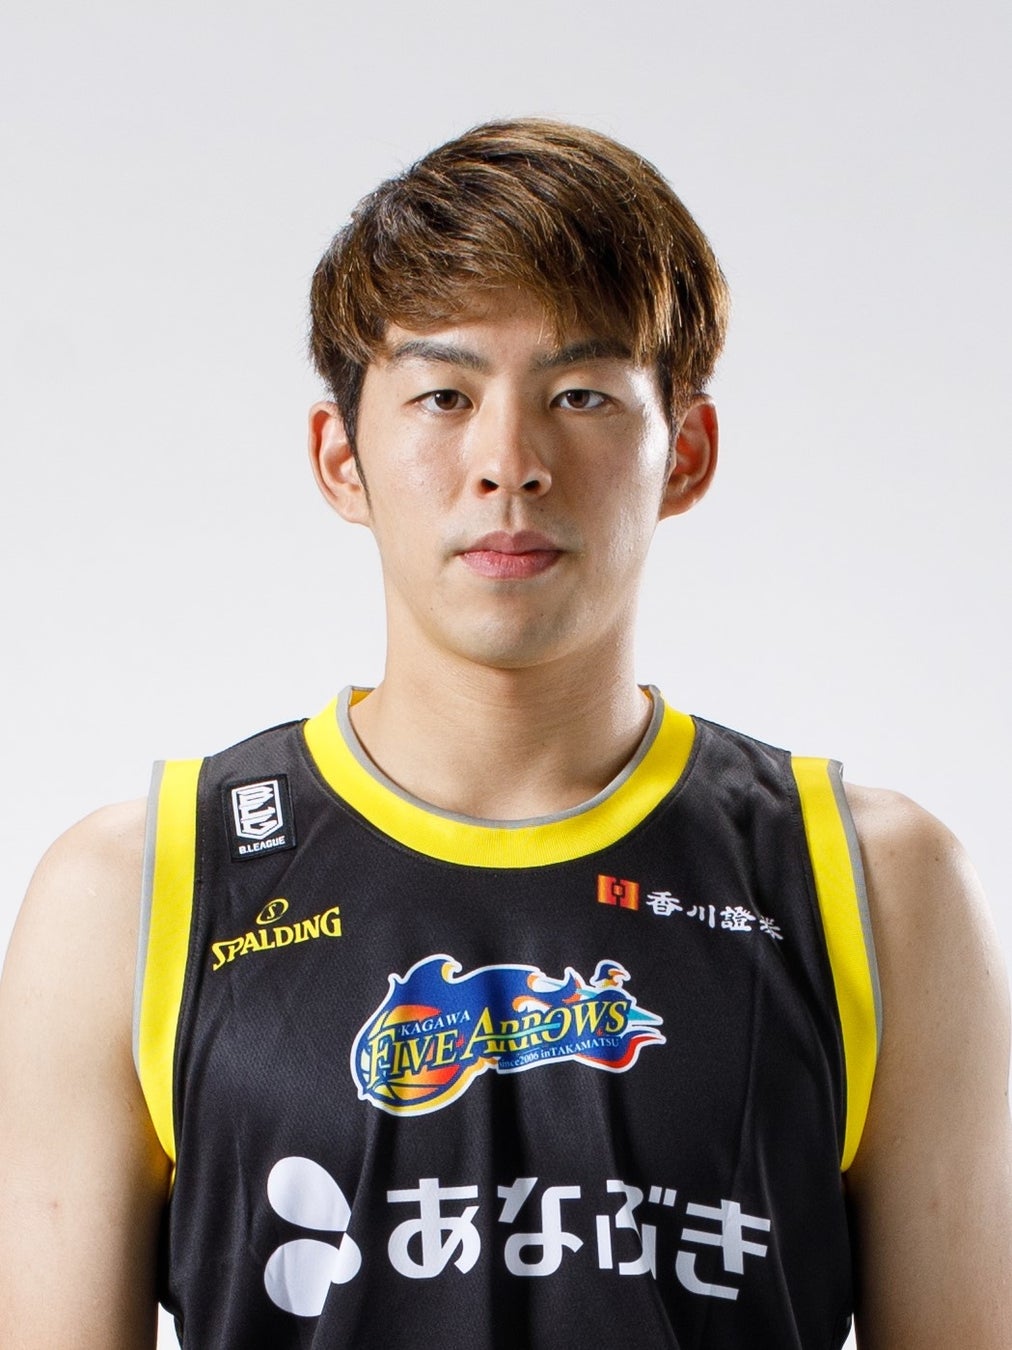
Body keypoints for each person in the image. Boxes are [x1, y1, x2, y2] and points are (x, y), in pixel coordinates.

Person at [1, 118, 1009, 1350]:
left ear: (685, 453)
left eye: (580, 396)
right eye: (443, 395)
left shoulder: (876, 885)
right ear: (341, 459)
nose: (509, 463)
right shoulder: (132, 891)